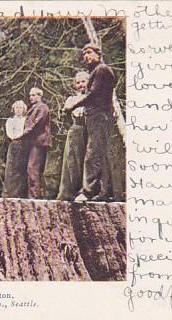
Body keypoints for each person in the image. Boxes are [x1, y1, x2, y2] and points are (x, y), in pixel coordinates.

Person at [66, 43, 115, 202]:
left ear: (98, 54)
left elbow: (93, 95)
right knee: (97, 153)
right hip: (95, 117)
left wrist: (74, 104)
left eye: (89, 52)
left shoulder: (101, 70)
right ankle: (102, 191)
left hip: (99, 117)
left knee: (92, 154)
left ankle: (88, 192)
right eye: (84, 54)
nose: (86, 56)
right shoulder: (96, 71)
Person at [13, 88, 51, 199]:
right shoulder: (33, 108)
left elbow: (37, 124)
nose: (31, 97)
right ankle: (32, 194)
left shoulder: (42, 107)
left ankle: (34, 196)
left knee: (33, 168)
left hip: (39, 142)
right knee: (31, 169)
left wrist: (23, 133)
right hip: (32, 142)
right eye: (30, 95)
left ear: (40, 96)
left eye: (34, 95)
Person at [57, 72, 89, 201]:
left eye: (83, 81)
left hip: (89, 132)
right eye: (78, 82)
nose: (81, 85)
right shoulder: (72, 99)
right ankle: (69, 191)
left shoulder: (93, 97)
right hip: (75, 131)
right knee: (71, 160)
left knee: (86, 160)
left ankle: (84, 190)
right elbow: (65, 112)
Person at [2, 100, 29, 198]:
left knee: (20, 168)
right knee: (11, 168)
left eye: (20, 108)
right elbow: (9, 133)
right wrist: (15, 137)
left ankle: (20, 193)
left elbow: (26, 131)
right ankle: (9, 193)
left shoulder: (25, 120)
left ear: (24, 109)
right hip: (13, 144)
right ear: (13, 109)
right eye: (17, 107)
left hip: (23, 145)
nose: (18, 110)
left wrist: (21, 137)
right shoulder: (10, 120)